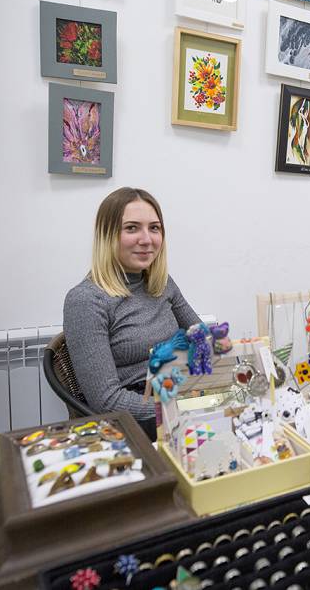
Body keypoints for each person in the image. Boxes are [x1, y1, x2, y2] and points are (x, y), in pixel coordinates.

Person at [63, 187, 200, 437]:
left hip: (177, 390)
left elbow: (201, 336)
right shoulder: (86, 300)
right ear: (107, 235)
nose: (147, 239)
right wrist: (177, 408)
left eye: (154, 228)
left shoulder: (162, 282)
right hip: (136, 419)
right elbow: (107, 401)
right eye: (132, 228)